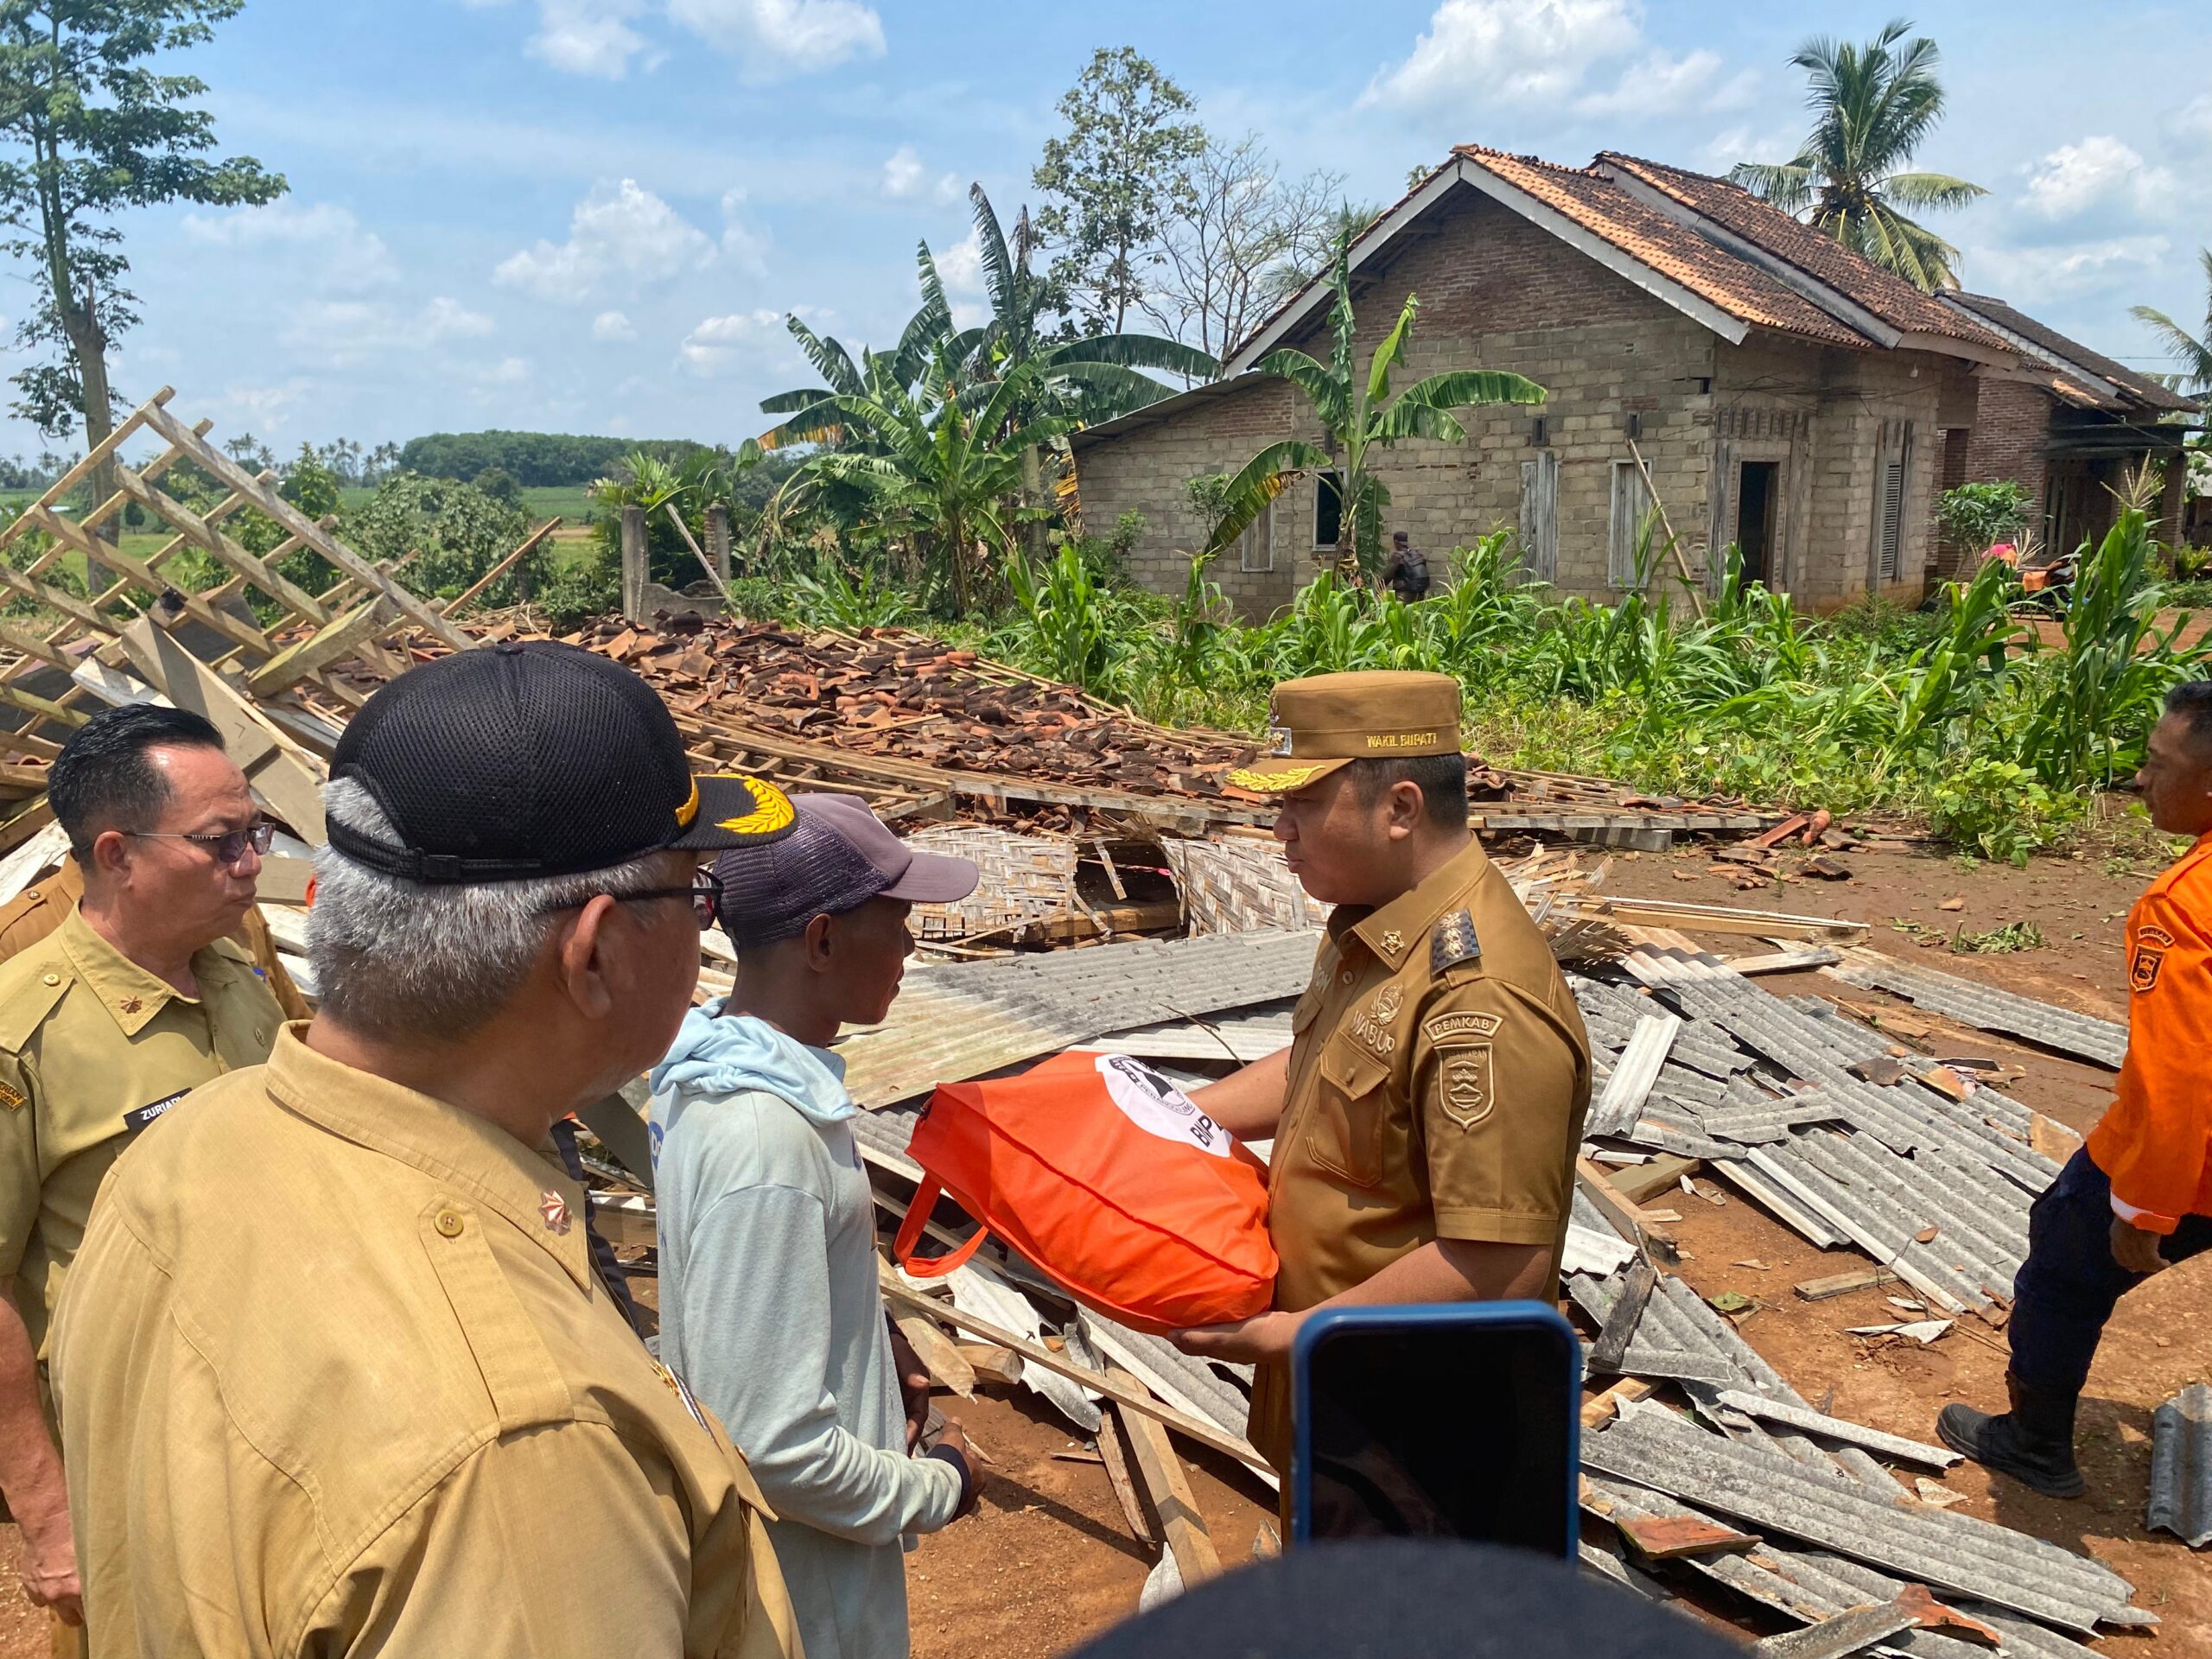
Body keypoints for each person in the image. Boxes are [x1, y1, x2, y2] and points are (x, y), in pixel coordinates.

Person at [50, 641, 805, 1656]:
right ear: (593, 954)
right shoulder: (527, 1452)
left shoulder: (182, 1150)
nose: (701, 931)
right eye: (693, 894)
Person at [1169, 671, 1592, 1481]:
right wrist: (1170, 1115)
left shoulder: (1481, 996)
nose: (1280, 830)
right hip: (1344, 1390)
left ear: (1400, 808)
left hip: (1419, 1430)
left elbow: (1499, 1263)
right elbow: (1329, 1066)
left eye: (1303, 803)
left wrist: (1295, 1334)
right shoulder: (1379, 920)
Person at [652, 793, 986, 1659]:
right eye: (896, 921)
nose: (910, 947)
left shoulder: (717, 1074)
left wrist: (870, 1337)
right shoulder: (766, 1140)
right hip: (808, 1600)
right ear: (823, 940)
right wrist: (939, 1486)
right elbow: (773, 1449)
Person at [0, 705, 287, 1636]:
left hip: (281, 1417)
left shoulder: (238, 974)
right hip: (135, 1457)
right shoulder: (22, 1034)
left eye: (255, 834)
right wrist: (50, 1514)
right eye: (219, 841)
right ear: (117, 855)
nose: (250, 863)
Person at [1938, 679, 2212, 1497]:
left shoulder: (2186, 906)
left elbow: (2181, 1074)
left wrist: (2146, 1209)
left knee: (2063, 1262)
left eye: (2157, 764)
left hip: (2188, 1162)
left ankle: (2033, 1442)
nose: (2139, 780)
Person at [1382, 531, 1430, 604]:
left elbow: (1388, 575)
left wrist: (1379, 586)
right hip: (1419, 593)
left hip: (1404, 593)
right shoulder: (1417, 554)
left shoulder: (1397, 556)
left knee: (1401, 611)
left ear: (1396, 542)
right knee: (1416, 611)